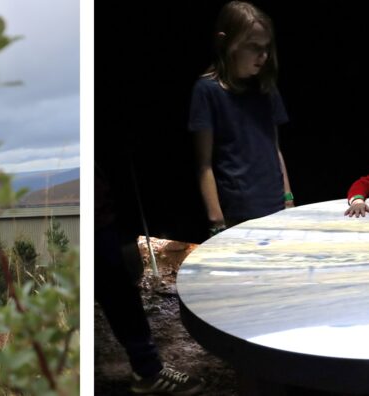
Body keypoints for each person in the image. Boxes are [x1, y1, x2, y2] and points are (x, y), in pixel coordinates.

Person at [96, 166, 205, 395]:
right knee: (119, 292)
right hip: (99, 222)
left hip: (103, 216)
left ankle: (147, 369)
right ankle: (148, 370)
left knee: (120, 291)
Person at [189, 1, 294, 237]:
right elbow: (203, 164)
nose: (263, 55)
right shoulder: (207, 91)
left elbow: (275, 149)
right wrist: (216, 221)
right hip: (237, 214)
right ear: (226, 42)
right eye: (253, 46)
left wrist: (288, 198)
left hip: (276, 206)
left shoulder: (266, 88)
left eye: (266, 47)